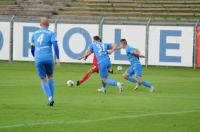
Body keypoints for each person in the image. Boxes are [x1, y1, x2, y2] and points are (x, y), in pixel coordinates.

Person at [30, 17, 60, 106]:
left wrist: (36, 57)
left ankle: (50, 98)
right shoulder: (51, 33)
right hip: (49, 58)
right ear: (49, 24)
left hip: (39, 58)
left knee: (42, 79)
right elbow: (55, 45)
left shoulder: (34, 34)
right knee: (50, 76)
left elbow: (32, 49)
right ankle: (53, 97)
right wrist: (58, 58)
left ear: (40, 24)